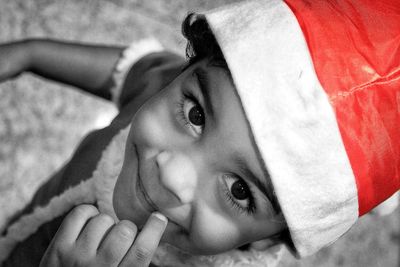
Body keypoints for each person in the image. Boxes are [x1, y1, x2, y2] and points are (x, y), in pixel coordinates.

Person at [0, 0, 399, 266]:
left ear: (268, 240)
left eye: (239, 190)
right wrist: (28, 54)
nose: (173, 175)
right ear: (188, 70)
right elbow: (124, 72)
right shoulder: (162, 85)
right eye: (195, 115)